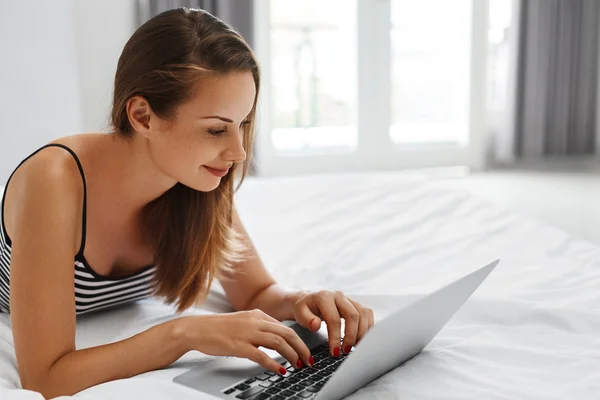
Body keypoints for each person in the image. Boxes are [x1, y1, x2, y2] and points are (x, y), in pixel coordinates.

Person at [0, 8, 374, 399]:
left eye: (242, 124)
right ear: (142, 116)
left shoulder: (198, 178)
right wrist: (183, 334)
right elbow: (45, 378)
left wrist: (304, 301)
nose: (239, 152)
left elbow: (255, 293)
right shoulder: (55, 180)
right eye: (215, 129)